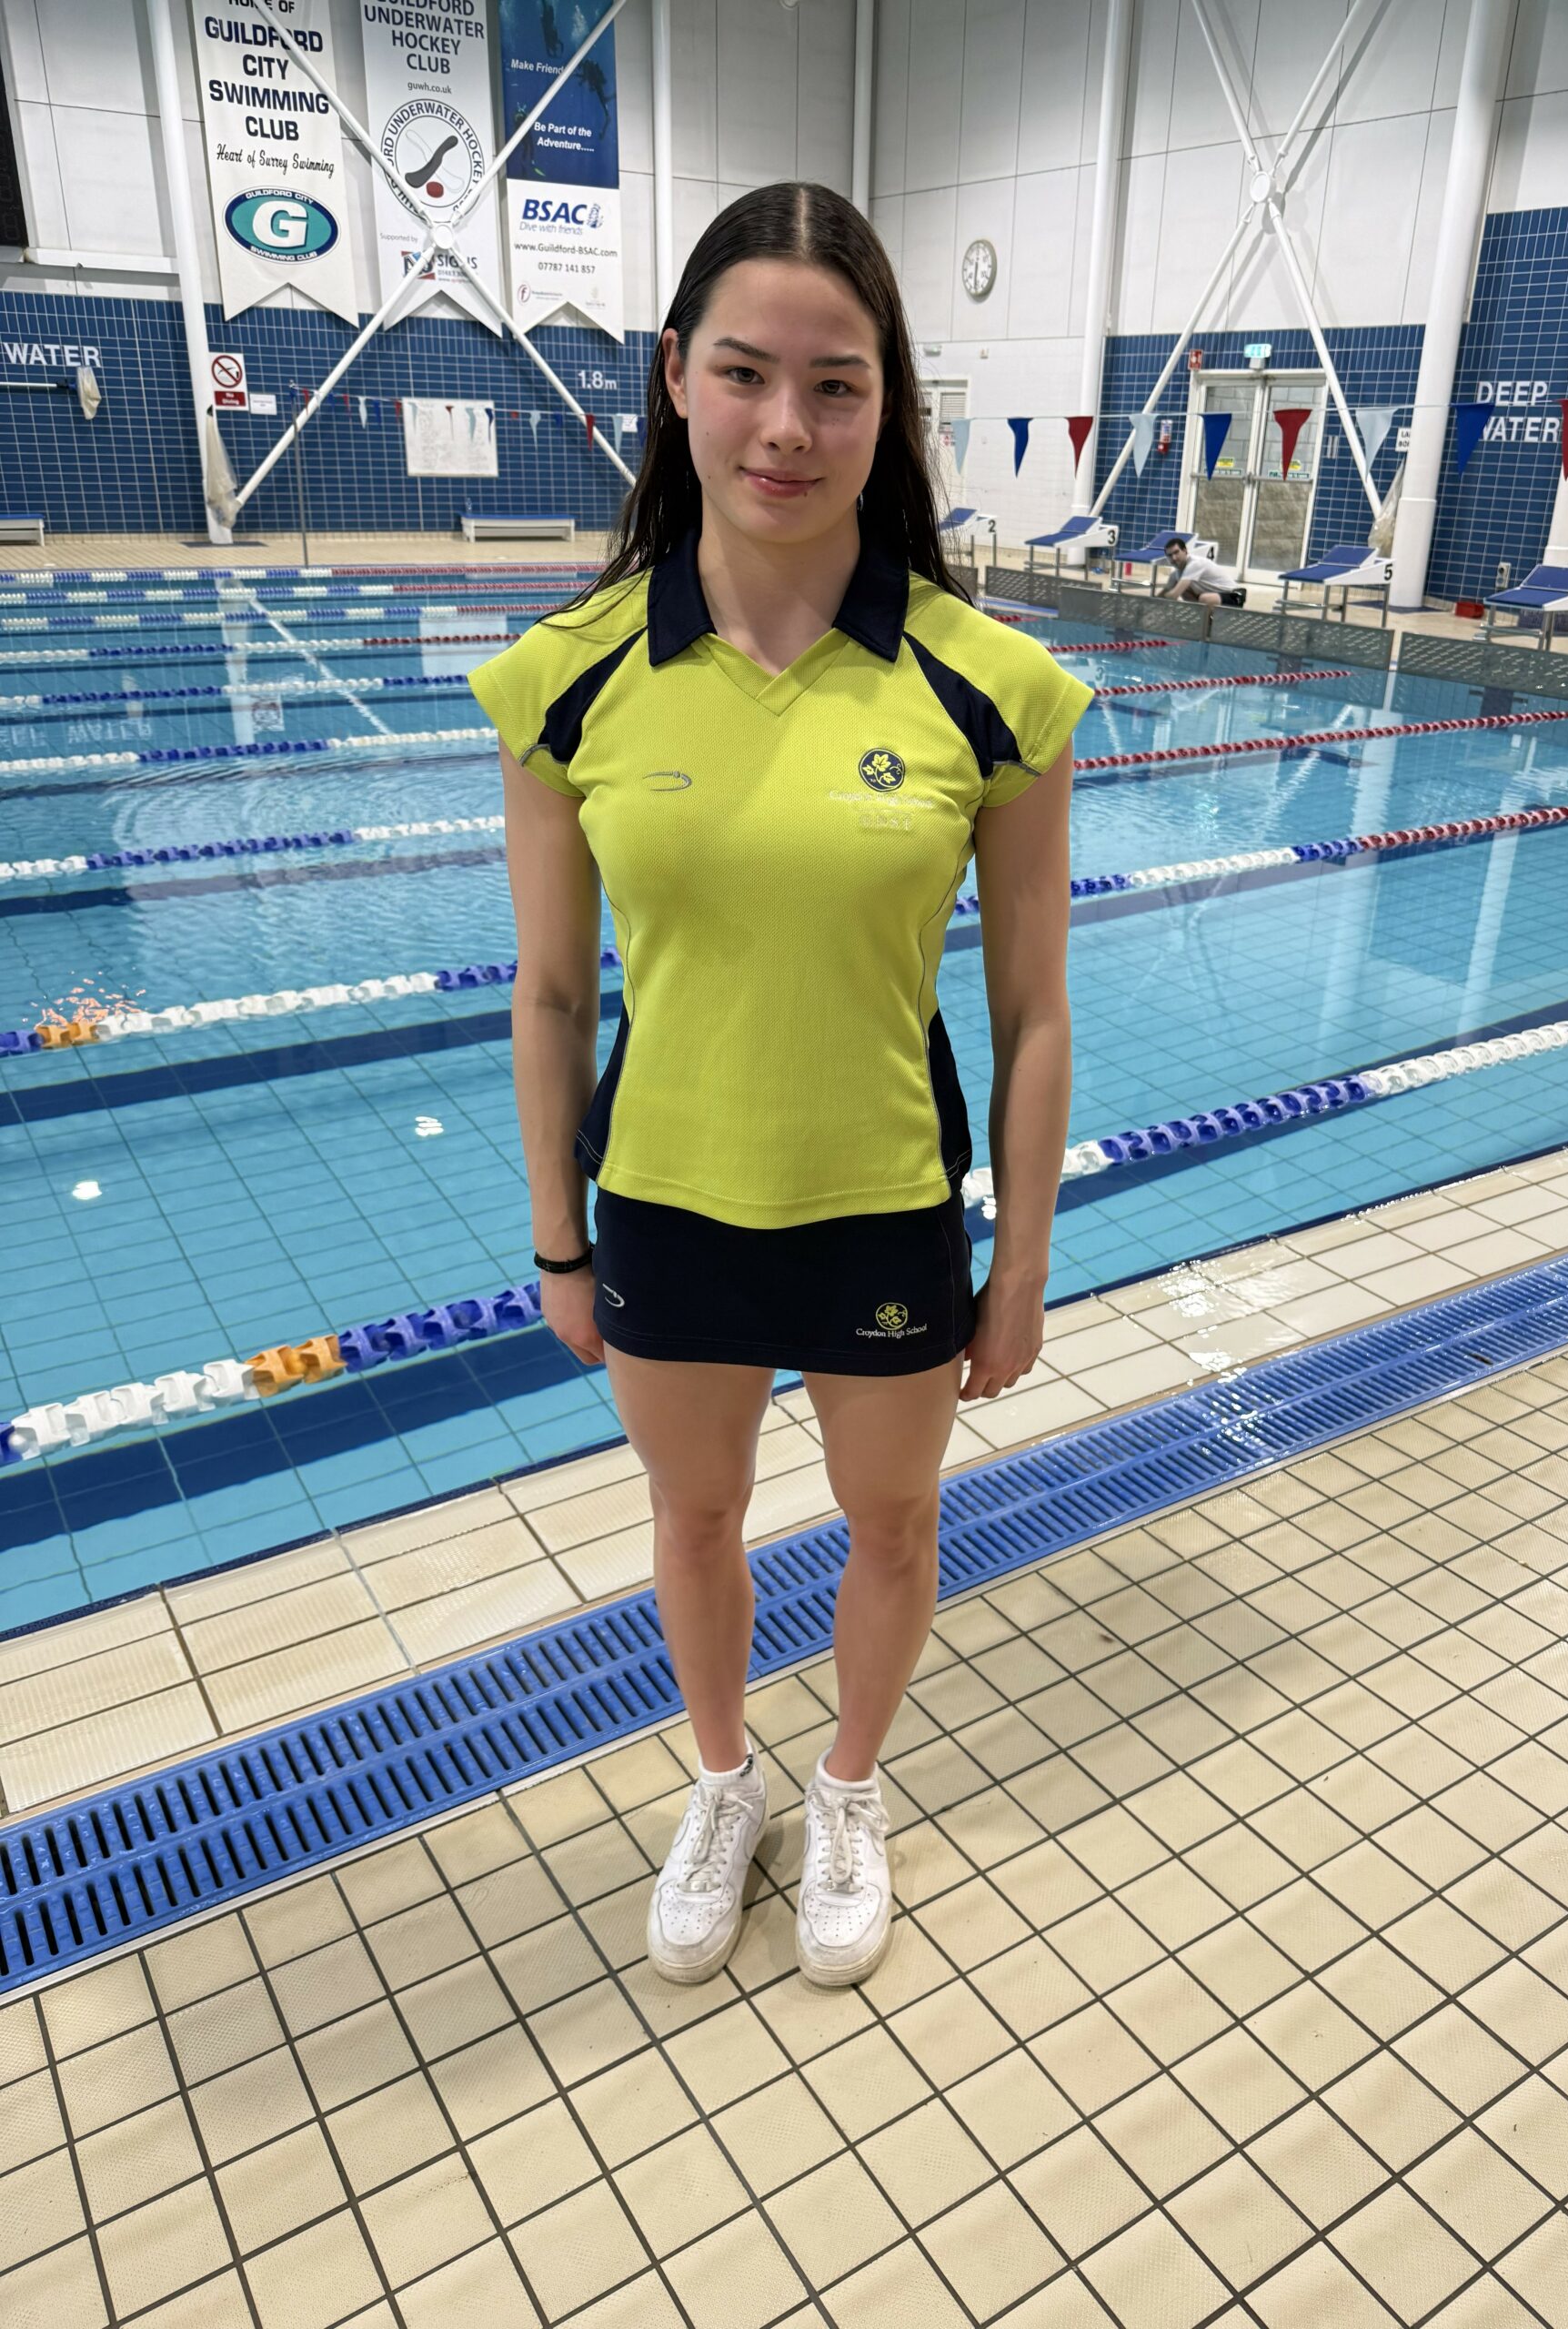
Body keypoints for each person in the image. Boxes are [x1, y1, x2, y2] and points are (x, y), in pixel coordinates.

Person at [469, 181, 1092, 1991]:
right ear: (676, 376)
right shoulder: (567, 679)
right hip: (667, 1204)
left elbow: (1038, 1009)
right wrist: (559, 1242)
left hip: (885, 1210)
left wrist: (1022, 1264)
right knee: (693, 1520)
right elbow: (551, 989)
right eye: (745, 373)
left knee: (891, 1522)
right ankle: (724, 1778)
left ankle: (849, 1789)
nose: (786, 427)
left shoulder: (995, 687)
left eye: (837, 384)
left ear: (892, 405)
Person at [1160, 534, 1246, 606]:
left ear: (1185, 551)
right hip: (1216, 595)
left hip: (1234, 596)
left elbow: (1174, 595)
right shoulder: (1176, 574)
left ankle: (1205, 620)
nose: (1174, 558)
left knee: (1204, 598)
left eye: (1176, 552)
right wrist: (1154, 601)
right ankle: (1199, 616)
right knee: (1184, 590)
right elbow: (1164, 593)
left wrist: (1163, 598)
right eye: (1170, 555)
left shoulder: (1194, 564)